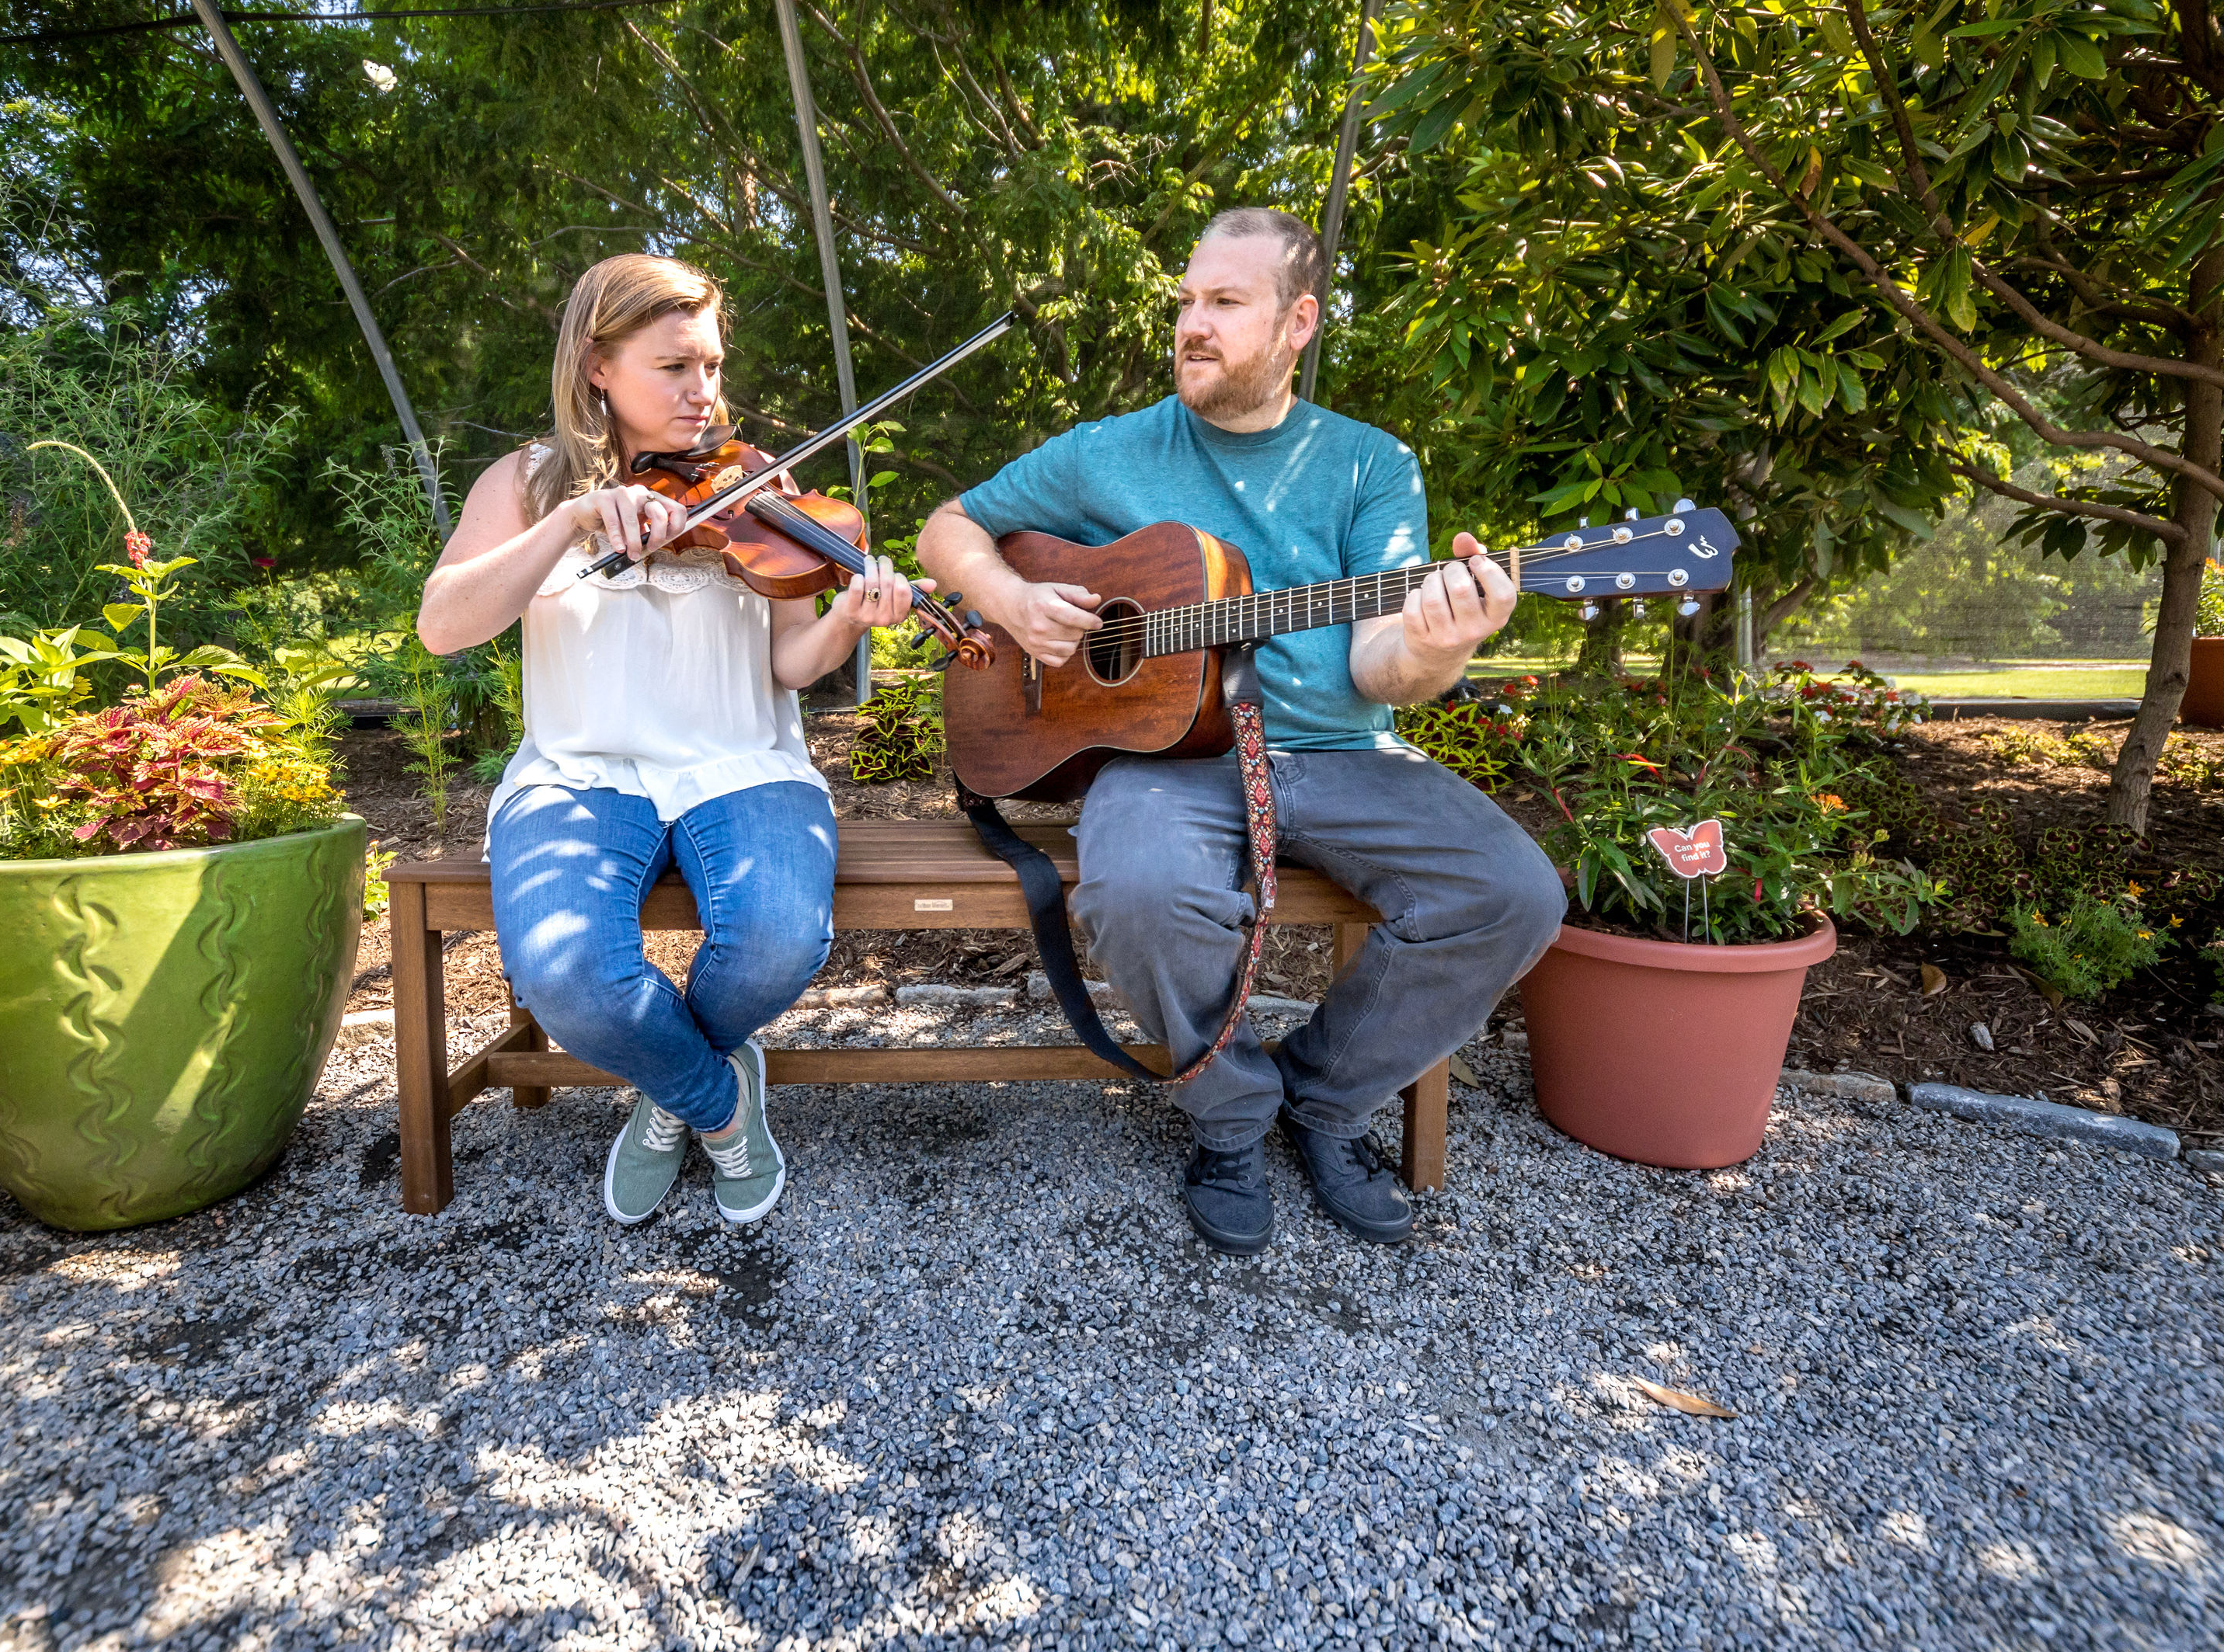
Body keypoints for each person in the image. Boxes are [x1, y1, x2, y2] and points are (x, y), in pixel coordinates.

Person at [917, 207, 1564, 1254]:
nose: (1192, 324)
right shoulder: (1107, 453)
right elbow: (950, 525)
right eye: (1186, 301)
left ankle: (1319, 1098)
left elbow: (1378, 664)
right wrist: (1005, 595)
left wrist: (1443, 646)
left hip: (1341, 754)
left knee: (1513, 894)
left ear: (1298, 321)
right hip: (1165, 759)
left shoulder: (1369, 466)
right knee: (1134, 890)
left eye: (1225, 302)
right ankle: (1228, 1117)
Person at [417, 253, 918, 1228]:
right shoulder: (527, 483)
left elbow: (790, 666)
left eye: (714, 367)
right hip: (579, 775)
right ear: (598, 365)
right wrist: (567, 521)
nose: (704, 393)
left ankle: (667, 1088)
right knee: (565, 974)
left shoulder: (759, 488)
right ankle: (722, 1105)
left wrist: (853, 618)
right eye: (674, 367)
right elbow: (443, 625)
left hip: (742, 763)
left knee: (779, 941)